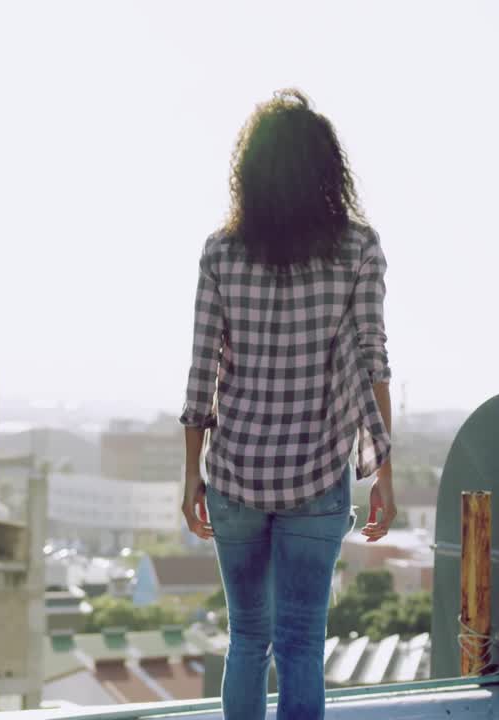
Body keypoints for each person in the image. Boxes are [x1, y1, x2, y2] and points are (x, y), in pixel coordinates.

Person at [179, 89, 395, 720]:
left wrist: (191, 472)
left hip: (236, 474)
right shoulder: (359, 249)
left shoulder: (221, 252)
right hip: (317, 477)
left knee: (247, 639)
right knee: (301, 645)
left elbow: (201, 372)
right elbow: (373, 359)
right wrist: (383, 469)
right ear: (329, 170)